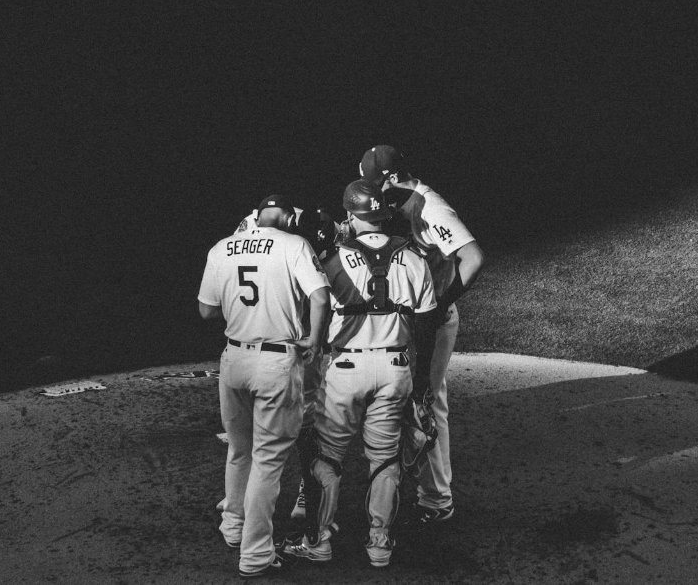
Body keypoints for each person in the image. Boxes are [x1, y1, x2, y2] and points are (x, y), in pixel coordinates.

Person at [281, 179, 439, 568]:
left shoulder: (330, 259)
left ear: (350, 216)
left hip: (345, 369)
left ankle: (318, 541)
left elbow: (308, 311)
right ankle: (380, 544)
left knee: (327, 457)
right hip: (395, 370)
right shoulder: (416, 258)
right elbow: (427, 329)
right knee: (385, 461)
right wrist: (421, 387)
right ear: (384, 214)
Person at [197, 194, 331, 579]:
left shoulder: (222, 247)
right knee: (268, 460)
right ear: (288, 217)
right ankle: (255, 555)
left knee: (240, 451)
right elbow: (320, 297)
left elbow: (206, 310)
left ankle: (233, 526)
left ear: (255, 216)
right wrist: (314, 340)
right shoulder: (294, 244)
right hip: (275, 361)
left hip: (233, 359)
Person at [358, 145, 485, 524]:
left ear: (394, 178)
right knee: (414, 400)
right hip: (415, 318)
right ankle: (424, 486)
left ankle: (436, 498)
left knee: (425, 402)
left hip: (432, 319)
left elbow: (474, 258)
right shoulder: (400, 200)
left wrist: (438, 303)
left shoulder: (432, 207)